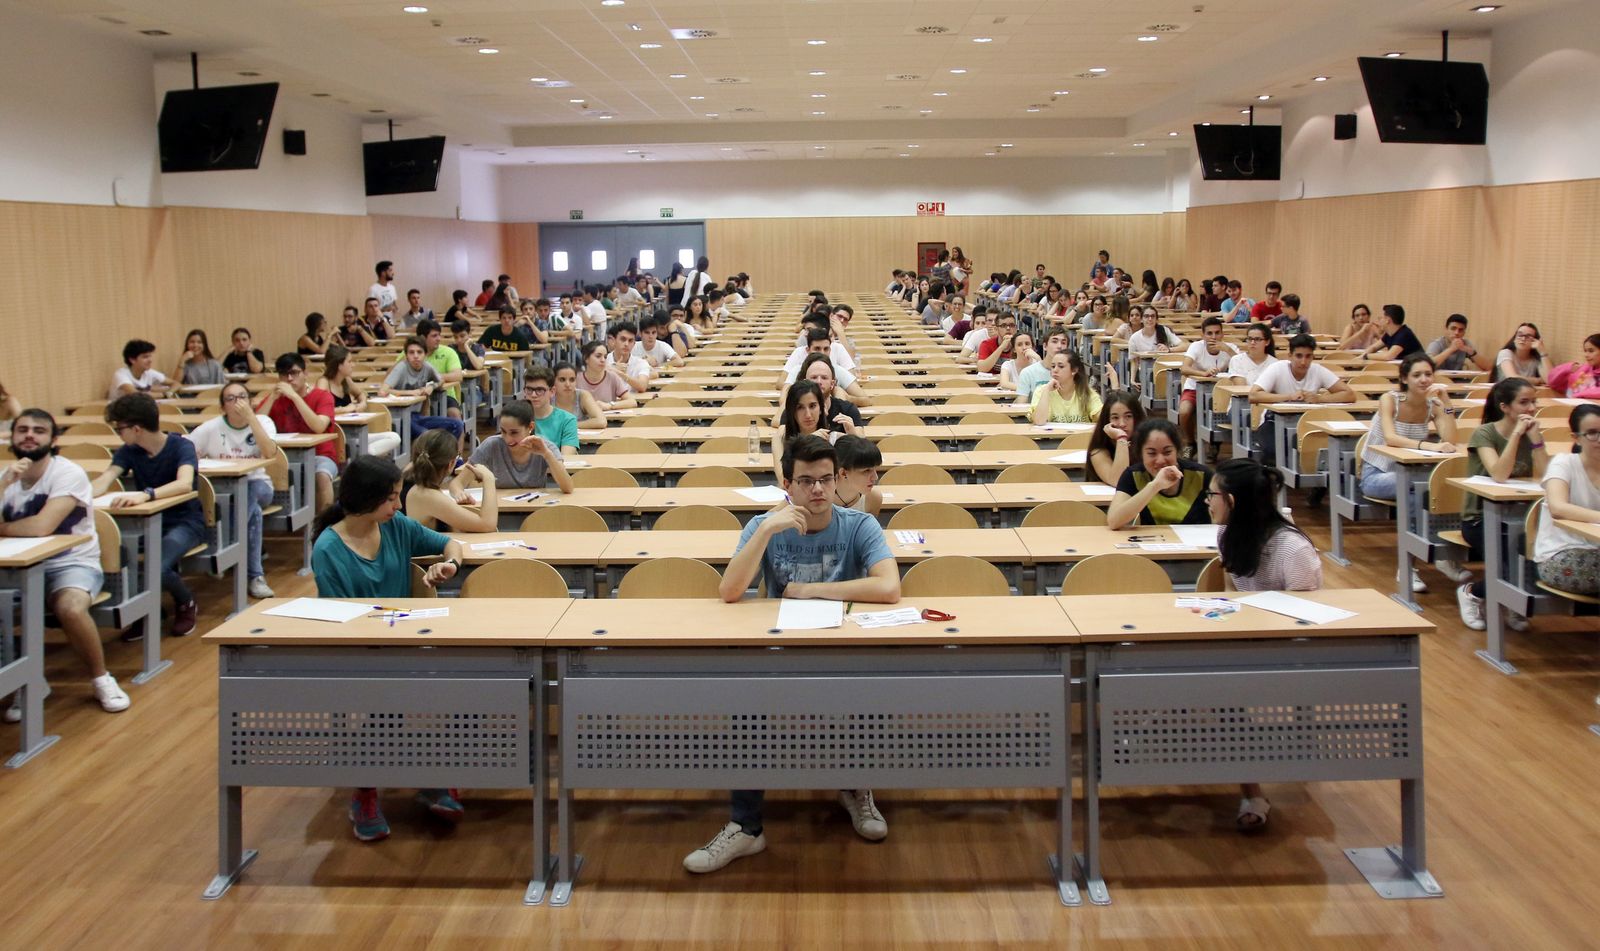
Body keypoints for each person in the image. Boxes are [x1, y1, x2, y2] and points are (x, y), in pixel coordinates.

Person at [686, 435, 900, 874]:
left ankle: (856, 787)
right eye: (806, 481)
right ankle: (746, 828)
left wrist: (810, 590)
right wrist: (766, 528)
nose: (818, 490)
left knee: (862, 696)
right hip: (778, 650)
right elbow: (729, 592)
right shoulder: (764, 526)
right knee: (746, 707)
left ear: (838, 479)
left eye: (825, 479)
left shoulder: (859, 526)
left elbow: (889, 587)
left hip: (842, 652)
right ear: (788, 485)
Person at [311, 454, 466, 841]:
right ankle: (365, 790)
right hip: (356, 652)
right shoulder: (329, 549)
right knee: (382, 697)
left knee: (467, 683)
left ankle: (432, 774)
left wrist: (449, 566)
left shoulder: (396, 526)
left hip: (404, 645)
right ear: (366, 500)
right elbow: (341, 622)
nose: (399, 505)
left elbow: (451, 544)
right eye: (392, 498)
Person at [1205, 457, 1324, 830]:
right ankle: (1250, 784)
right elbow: (1231, 598)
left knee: (1225, 694)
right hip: (1246, 643)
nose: (1207, 502)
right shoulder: (1229, 536)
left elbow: (1308, 620)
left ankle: (1252, 789)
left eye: (1212, 495)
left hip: (1291, 650)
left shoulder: (1292, 549)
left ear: (1232, 501)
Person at [0, 409, 130, 718]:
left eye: (39, 430)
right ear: (12, 437)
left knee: (70, 608)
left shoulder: (66, 473)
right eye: (23, 430)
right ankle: (26, 683)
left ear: (53, 439)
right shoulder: (7, 478)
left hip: (71, 564)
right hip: (15, 567)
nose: (30, 435)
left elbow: (42, 527)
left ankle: (101, 678)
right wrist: (4, 483)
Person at [90, 394, 206, 638]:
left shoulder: (180, 446)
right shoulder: (129, 451)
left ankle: (185, 602)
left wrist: (146, 494)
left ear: (136, 429)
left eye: (120, 429)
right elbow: (107, 478)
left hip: (185, 522)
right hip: (144, 525)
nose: (118, 434)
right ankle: (146, 609)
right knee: (120, 557)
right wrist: (80, 497)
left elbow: (185, 484)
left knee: (157, 567)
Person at [1455, 378, 1552, 630]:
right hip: (1481, 518)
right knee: (1511, 568)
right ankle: (1471, 592)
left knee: (1534, 561)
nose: (1531, 408)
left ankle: (1514, 601)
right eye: (1524, 402)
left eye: (1534, 402)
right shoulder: (1485, 433)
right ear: (1505, 407)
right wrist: (1517, 435)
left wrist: (1537, 441)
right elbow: (1499, 474)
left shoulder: (1533, 434)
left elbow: (1545, 477)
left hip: (1521, 516)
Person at [185, 382, 280, 599]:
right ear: (222, 407)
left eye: (242, 396)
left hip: (259, 484)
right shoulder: (211, 427)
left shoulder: (263, 422)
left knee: (247, 494)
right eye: (231, 398)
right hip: (221, 490)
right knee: (252, 512)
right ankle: (255, 576)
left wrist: (251, 419)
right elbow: (185, 448)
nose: (238, 402)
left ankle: (224, 550)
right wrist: (192, 457)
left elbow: (269, 453)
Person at [1359, 353, 1460, 500]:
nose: (1424, 380)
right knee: (1420, 487)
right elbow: (1391, 438)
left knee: (1439, 482)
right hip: (1377, 474)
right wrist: (1431, 446)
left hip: (1412, 472)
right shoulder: (1389, 400)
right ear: (1404, 379)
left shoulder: (1434, 405)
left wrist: (1448, 404)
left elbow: (1450, 440)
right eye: (1417, 375)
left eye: (1428, 374)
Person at [1248, 334, 1355, 464]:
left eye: (1308, 356)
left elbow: (1349, 394)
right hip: (1274, 421)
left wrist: (1319, 399)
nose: (1303, 361)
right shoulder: (1277, 368)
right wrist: (1288, 397)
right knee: (1274, 450)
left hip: (1309, 421)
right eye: (1299, 356)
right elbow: (1253, 395)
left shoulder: (1317, 370)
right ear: (1290, 356)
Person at [1533, 404, 1600, 597]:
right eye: (1592, 433)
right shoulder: (1564, 463)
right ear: (1576, 438)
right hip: (1561, 554)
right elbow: (1558, 507)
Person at [258, 353, 339, 512]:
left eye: (294, 373)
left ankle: (323, 526)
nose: (289, 379)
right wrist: (271, 399)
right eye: (283, 374)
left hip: (320, 455)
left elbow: (319, 427)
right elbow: (255, 425)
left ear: (305, 373)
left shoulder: (322, 396)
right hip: (285, 457)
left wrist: (295, 397)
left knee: (321, 476)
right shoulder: (276, 398)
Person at [1107, 418, 1212, 528]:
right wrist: (1155, 486)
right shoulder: (1132, 475)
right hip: (1152, 543)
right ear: (1141, 454)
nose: (1161, 460)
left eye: (1167, 452)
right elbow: (1114, 521)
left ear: (1177, 450)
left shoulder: (1202, 475)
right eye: (1152, 453)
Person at [401, 429, 501, 533]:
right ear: (451, 464)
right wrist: (489, 478)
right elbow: (487, 524)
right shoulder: (427, 495)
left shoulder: (408, 474)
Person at [465, 400, 574, 493]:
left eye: (514, 432)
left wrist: (547, 454)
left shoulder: (546, 447)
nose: (507, 438)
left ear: (530, 427)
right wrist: (459, 493)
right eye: (503, 431)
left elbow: (568, 488)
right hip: (501, 511)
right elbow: (457, 483)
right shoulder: (491, 444)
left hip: (534, 510)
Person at [316, 345, 402, 457]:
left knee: (394, 437)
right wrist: (344, 409)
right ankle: (364, 457)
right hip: (337, 436)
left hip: (354, 433)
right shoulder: (323, 383)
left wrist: (362, 403)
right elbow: (319, 413)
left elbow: (360, 394)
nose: (353, 365)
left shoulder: (345, 380)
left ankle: (364, 456)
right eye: (350, 361)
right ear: (339, 365)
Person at [379, 337, 465, 445]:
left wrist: (431, 387)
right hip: (397, 418)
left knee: (456, 424)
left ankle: (447, 458)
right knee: (426, 436)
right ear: (406, 356)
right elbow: (382, 392)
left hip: (416, 416)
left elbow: (440, 380)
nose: (415, 356)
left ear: (425, 354)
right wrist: (411, 393)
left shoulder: (427, 367)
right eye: (411, 352)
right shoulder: (401, 368)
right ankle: (430, 460)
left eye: (419, 352)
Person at [1178, 317, 1237, 453]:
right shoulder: (1196, 347)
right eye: (1209, 333)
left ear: (1222, 334)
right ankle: (1190, 443)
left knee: (1219, 410)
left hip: (1221, 390)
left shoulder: (1230, 348)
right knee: (1184, 411)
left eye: (1217, 333)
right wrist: (1202, 373)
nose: (1214, 337)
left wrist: (1228, 350)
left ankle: (1214, 443)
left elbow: (1244, 368)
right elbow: (1184, 368)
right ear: (1203, 335)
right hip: (1195, 387)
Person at [772, 380, 841, 481]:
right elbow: (785, 482)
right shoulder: (780, 438)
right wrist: (808, 441)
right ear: (792, 411)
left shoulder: (835, 439)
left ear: (821, 408)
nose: (808, 415)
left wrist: (853, 433)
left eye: (812, 406)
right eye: (800, 407)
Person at [1086, 391, 1145, 486]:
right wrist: (1121, 438)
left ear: (1137, 418)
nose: (1122, 424)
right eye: (1115, 417)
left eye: (1128, 416)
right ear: (1107, 421)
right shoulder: (1098, 451)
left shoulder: (1147, 444)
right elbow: (1118, 481)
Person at [519, 367, 580, 457]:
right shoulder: (516, 416)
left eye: (540, 390)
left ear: (552, 391)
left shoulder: (568, 420)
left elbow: (566, 457)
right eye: (529, 390)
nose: (533, 395)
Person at [1030, 351, 1101, 424]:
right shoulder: (1042, 390)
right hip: (1052, 435)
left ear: (1074, 370)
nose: (1055, 370)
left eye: (1061, 366)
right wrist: (1047, 390)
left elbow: (1102, 418)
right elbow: (1038, 421)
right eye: (1053, 366)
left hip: (1079, 435)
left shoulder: (1087, 392)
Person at [416, 319, 464, 423]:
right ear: (422, 338)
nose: (438, 339)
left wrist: (435, 376)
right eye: (434, 336)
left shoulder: (448, 352)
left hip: (444, 395)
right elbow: (391, 375)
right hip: (415, 395)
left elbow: (458, 375)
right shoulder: (413, 353)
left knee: (455, 416)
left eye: (439, 335)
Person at [575, 340, 637, 412]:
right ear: (586, 358)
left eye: (605, 357)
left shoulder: (612, 377)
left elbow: (632, 402)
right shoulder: (576, 379)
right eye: (598, 356)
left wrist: (609, 405)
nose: (603, 360)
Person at [832, 434, 883, 516]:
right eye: (866, 470)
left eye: (875, 469)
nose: (875, 477)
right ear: (843, 473)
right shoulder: (820, 498)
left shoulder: (873, 498)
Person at [1425, 314, 1492, 373]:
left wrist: (1470, 352)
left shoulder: (1466, 343)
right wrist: (1451, 349)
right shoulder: (1436, 344)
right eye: (1453, 328)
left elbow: (1488, 367)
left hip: (1458, 380)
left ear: (1464, 332)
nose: (1457, 333)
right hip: (1438, 380)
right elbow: (1427, 365)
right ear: (1446, 329)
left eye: (1461, 330)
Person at [550, 362, 607, 430]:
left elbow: (601, 421)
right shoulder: (547, 397)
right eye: (562, 380)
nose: (568, 384)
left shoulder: (583, 395)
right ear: (553, 381)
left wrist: (569, 426)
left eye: (572, 380)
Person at [1014, 329, 1066, 400]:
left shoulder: (1071, 374)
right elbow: (1020, 405)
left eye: (1063, 343)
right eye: (1054, 341)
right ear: (1045, 346)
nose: (1059, 346)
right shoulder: (1028, 372)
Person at [1549, 333, 1600, 399]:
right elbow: (1553, 382)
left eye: (1591, 351)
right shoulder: (1584, 369)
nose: (1586, 355)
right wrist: (1568, 368)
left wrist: (1579, 394)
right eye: (1585, 351)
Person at [606, 321, 653, 393]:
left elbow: (642, 386)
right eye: (623, 339)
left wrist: (621, 374)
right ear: (614, 341)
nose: (626, 344)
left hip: (632, 403)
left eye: (630, 341)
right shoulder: (604, 361)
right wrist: (611, 371)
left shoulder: (641, 363)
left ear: (634, 344)